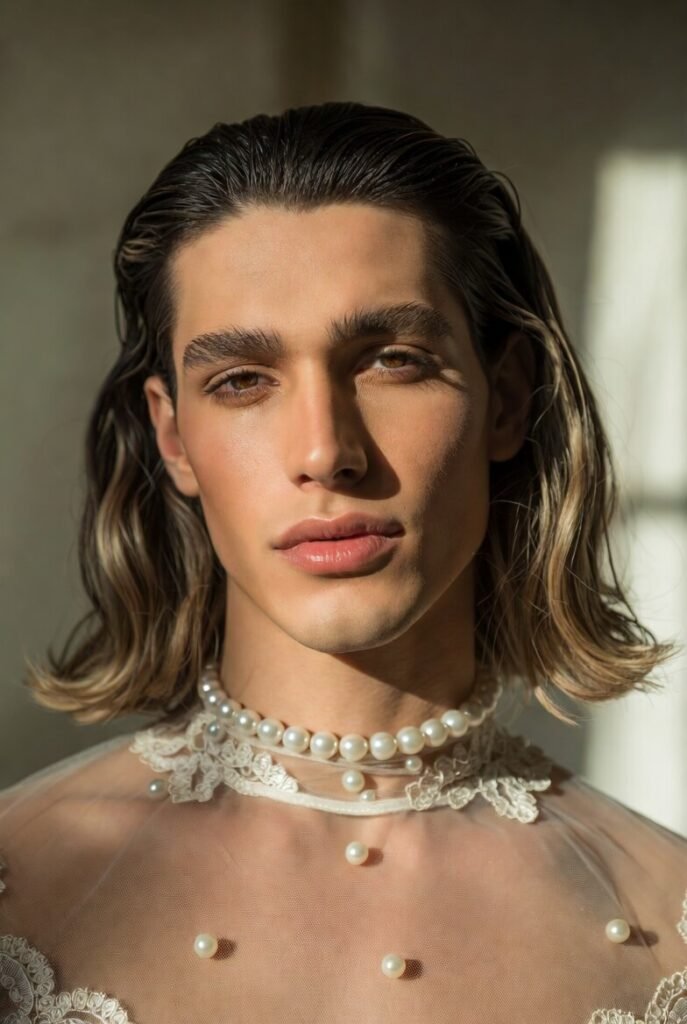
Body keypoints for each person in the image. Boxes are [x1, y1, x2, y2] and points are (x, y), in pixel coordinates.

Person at [0, 100, 685, 1024]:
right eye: (241, 380)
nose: (325, 451)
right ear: (173, 437)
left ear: (506, 399)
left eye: (391, 360)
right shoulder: (20, 895)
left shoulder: (666, 928)